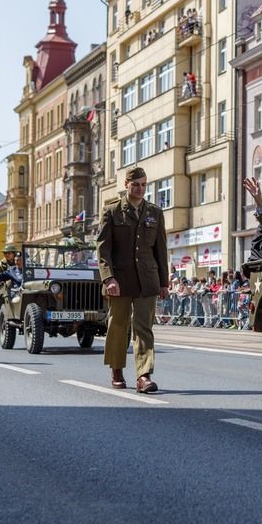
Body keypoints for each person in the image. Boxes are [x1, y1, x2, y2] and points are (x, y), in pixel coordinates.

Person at [97, 166, 169, 393]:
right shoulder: (112, 211)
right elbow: (103, 249)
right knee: (118, 326)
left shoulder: (155, 213)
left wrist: (164, 282)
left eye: (143, 184)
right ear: (126, 185)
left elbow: (161, 249)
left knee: (144, 328)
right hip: (119, 280)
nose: (140, 189)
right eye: (136, 184)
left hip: (147, 279)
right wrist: (108, 278)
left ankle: (143, 375)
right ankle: (117, 369)